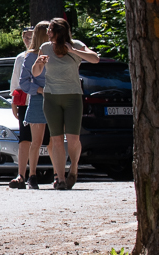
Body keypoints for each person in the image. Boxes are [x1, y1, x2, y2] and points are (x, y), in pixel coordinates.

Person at [31, 17, 100, 189]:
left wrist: (74, 51)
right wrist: (39, 63)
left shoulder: (76, 45)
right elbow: (36, 72)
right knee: (57, 139)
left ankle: (74, 168)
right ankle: (60, 179)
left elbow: (95, 59)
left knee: (73, 139)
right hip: (52, 97)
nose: (47, 32)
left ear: (58, 32)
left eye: (50, 30)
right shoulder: (45, 47)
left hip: (73, 97)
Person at [16, 21, 51, 188]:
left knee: (55, 140)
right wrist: (39, 90)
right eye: (50, 31)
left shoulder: (58, 52)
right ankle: (32, 175)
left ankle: (59, 175)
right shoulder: (30, 56)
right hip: (39, 99)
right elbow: (23, 83)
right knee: (35, 141)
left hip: (56, 98)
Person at [7, 28, 34, 188]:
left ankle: (56, 173)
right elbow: (15, 83)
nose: (28, 40)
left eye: (31, 37)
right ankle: (21, 174)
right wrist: (14, 102)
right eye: (25, 37)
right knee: (25, 138)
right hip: (25, 102)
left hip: (42, 100)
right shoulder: (20, 58)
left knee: (49, 139)